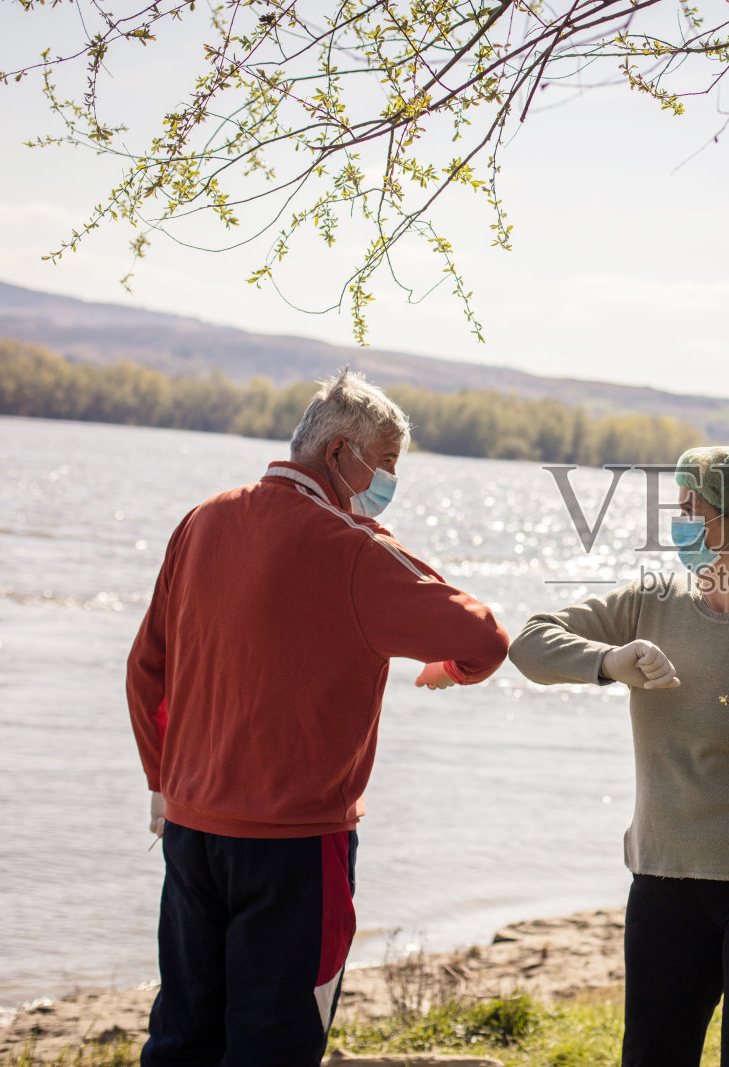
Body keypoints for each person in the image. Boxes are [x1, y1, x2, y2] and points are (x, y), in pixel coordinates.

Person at [125, 368, 510, 1067]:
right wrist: (450, 667)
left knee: (183, 1033)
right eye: (387, 463)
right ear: (339, 454)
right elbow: (484, 636)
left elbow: (145, 665)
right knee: (274, 1043)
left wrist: (162, 780)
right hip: (295, 847)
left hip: (189, 830)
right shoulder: (354, 547)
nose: (391, 480)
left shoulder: (202, 519)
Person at [508, 445, 729, 1067]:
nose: (680, 520)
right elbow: (530, 643)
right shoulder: (648, 604)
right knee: (651, 1056)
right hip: (663, 881)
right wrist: (607, 661)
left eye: (693, 508)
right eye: (680, 506)